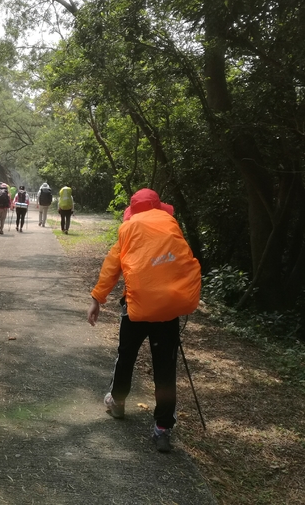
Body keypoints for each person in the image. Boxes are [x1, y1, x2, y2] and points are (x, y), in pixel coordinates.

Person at [87, 188, 201, 453]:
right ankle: (163, 427)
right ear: (158, 206)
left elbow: (112, 266)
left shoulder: (128, 228)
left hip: (136, 308)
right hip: (168, 310)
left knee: (126, 355)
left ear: (133, 210)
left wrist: (97, 299)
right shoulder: (171, 224)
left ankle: (117, 402)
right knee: (165, 367)